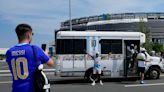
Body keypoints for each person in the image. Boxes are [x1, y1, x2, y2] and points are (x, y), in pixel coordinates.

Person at [5, 23, 54, 92]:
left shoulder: (9, 52)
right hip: (31, 89)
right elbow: (51, 63)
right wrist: (46, 54)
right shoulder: (35, 49)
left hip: (16, 89)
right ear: (29, 34)